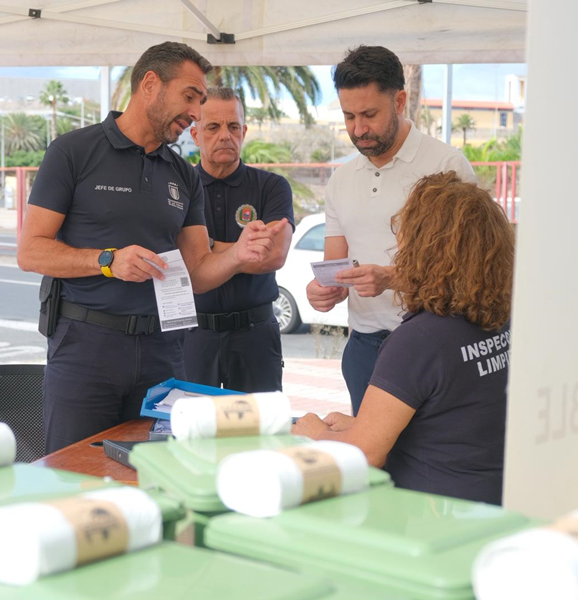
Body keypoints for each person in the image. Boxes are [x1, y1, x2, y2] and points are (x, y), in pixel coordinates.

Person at [17, 42, 287, 453]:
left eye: (200, 101)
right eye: (190, 97)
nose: (196, 113)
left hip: (163, 354)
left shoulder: (183, 174)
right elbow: (31, 251)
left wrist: (237, 254)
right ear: (149, 84)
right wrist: (106, 260)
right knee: (74, 475)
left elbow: (196, 271)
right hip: (86, 349)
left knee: (155, 475)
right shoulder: (73, 152)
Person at [293, 172, 514, 505]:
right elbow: (453, 424)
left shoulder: (419, 340)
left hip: (429, 513)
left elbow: (365, 455)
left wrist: (316, 434)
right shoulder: (501, 322)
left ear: (423, 249)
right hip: (492, 501)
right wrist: (359, 427)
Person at [306, 45, 477, 415]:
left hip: (432, 344)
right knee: (371, 466)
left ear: (400, 101)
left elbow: (468, 271)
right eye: (349, 116)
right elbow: (334, 266)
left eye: (369, 114)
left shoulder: (447, 166)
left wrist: (391, 277)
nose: (358, 129)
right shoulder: (341, 180)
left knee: (424, 462)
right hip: (363, 349)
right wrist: (323, 290)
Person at [183, 87, 295, 392]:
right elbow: (179, 259)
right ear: (194, 134)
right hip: (192, 336)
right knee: (190, 434)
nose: (225, 135)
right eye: (213, 127)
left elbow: (273, 255)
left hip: (255, 336)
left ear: (243, 131)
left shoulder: (272, 187)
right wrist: (243, 250)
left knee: (257, 435)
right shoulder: (177, 188)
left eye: (233, 126)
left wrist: (208, 249)